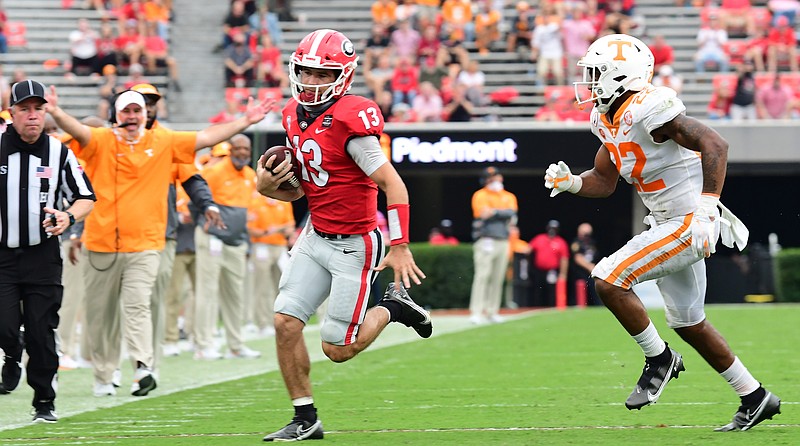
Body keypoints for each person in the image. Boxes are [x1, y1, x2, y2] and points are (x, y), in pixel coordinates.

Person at [545, 33, 780, 430]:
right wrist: (572, 183)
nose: (587, 81)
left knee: (608, 279)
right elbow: (604, 179)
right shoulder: (605, 119)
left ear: (622, 76)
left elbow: (715, 145)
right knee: (689, 322)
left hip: (690, 221)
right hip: (667, 221)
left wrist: (707, 207)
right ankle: (755, 397)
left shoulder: (649, 106)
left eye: (595, 73)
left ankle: (660, 359)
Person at [254, 29, 430, 442]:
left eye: (322, 73)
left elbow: (394, 185)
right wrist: (267, 188)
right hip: (315, 234)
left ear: (343, 76)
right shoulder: (291, 114)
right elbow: (304, 187)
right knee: (284, 321)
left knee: (338, 348)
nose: (312, 82)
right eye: (306, 72)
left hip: (355, 244)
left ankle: (393, 307)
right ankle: (305, 417)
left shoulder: (354, 118)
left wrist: (401, 245)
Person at [46, 83, 273, 398]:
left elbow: (205, 138)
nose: (133, 115)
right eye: (126, 110)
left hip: (147, 243)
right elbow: (80, 132)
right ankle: (104, 374)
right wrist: (56, 111)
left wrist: (246, 121)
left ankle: (142, 366)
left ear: (146, 114)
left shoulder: (164, 141)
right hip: (101, 243)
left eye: (138, 110)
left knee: (138, 304)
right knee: (101, 315)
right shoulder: (101, 140)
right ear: (115, 113)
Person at [0, 79, 96, 423]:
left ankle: (44, 402)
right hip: (3, 255)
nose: (32, 116)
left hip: (42, 255)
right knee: (5, 326)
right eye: (24, 109)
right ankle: (11, 354)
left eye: (38, 109)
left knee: (42, 331)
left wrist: (67, 216)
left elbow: (86, 196)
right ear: (11, 112)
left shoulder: (59, 152)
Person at [193, 134, 261, 360]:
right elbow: (195, 194)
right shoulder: (215, 171)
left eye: (246, 149)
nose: (243, 152)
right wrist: (201, 221)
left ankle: (236, 344)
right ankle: (204, 345)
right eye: (238, 148)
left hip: (236, 240)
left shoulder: (250, 175)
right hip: (212, 237)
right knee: (208, 291)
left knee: (235, 294)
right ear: (231, 150)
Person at [468, 166, 518, 325]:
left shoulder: (508, 196)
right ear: (486, 181)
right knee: (483, 275)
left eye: (496, 177)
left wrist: (494, 212)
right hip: (485, 239)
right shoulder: (480, 195)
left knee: (498, 276)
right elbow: (483, 213)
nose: (495, 180)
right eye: (491, 178)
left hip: (503, 240)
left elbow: (512, 214)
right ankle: (476, 311)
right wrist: (501, 213)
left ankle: (492, 311)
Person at [247, 192, 295, 337]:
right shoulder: (255, 201)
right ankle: (263, 323)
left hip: (280, 247)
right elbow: (251, 229)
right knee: (262, 286)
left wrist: (277, 229)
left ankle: (284, 320)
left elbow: (290, 227)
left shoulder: (284, 201)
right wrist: (268, 231)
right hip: (261, 247)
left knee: (283, 285)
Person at [528, 220, 569, 307]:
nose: (552, 230)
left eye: (554, 228)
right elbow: (528, 249)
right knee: (537, 291)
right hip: (539, 270)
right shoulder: (539, 238)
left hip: (552, 271)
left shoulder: (561, 242)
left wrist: (563, 274)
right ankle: (536, 308)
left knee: (552, 291)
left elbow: (564, 259)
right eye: (551, 228)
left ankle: (552, 308)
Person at [570, 222, 599, 306]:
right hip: (580, 273)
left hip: (591, 273)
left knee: (594, 292)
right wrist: (589, 266)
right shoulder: (576, 243)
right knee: (580, 295)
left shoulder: (592, 243)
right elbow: (577, 258)